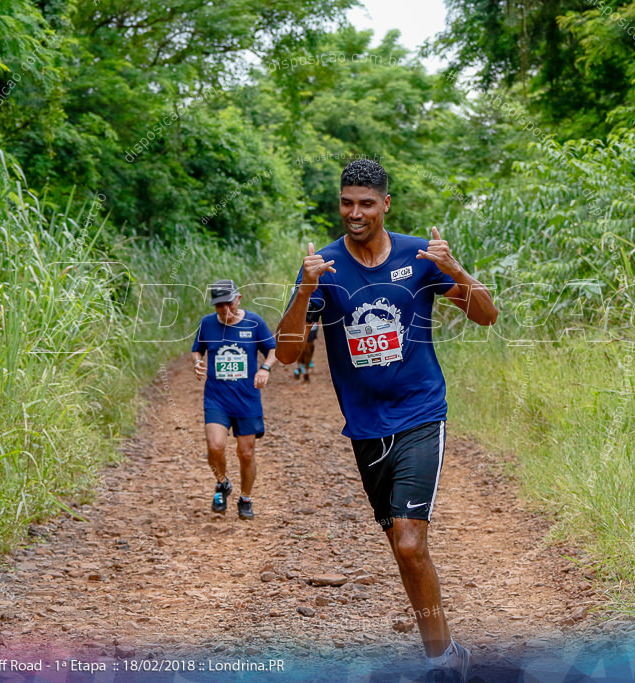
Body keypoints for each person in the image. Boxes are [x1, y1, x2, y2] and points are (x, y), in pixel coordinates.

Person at [274, 160, 498, 682]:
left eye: (366, 203)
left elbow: (486, 315)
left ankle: (441, 664)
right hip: (366, 428)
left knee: (409, 541)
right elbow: (287, 355)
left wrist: (457, 269)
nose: (355, 213)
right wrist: (305, 290)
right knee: (402, 550)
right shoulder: (323, 268)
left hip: (421, 412)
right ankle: (446, 650)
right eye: (347, 202)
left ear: (385, 205)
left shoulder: (420, 256)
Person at [192, 279, 277, 520]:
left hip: (247, 400)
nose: (225, 310)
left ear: (238, 299)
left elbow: (273, 349)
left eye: (229, 304)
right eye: (219, 306)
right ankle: (222, 484)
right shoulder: (207, 324)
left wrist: (265, 369)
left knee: (246, 453)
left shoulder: (254, 322)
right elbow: (196, 349)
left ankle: (246, 498)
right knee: (215, 446)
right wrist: (198, 363)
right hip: (216, 398)